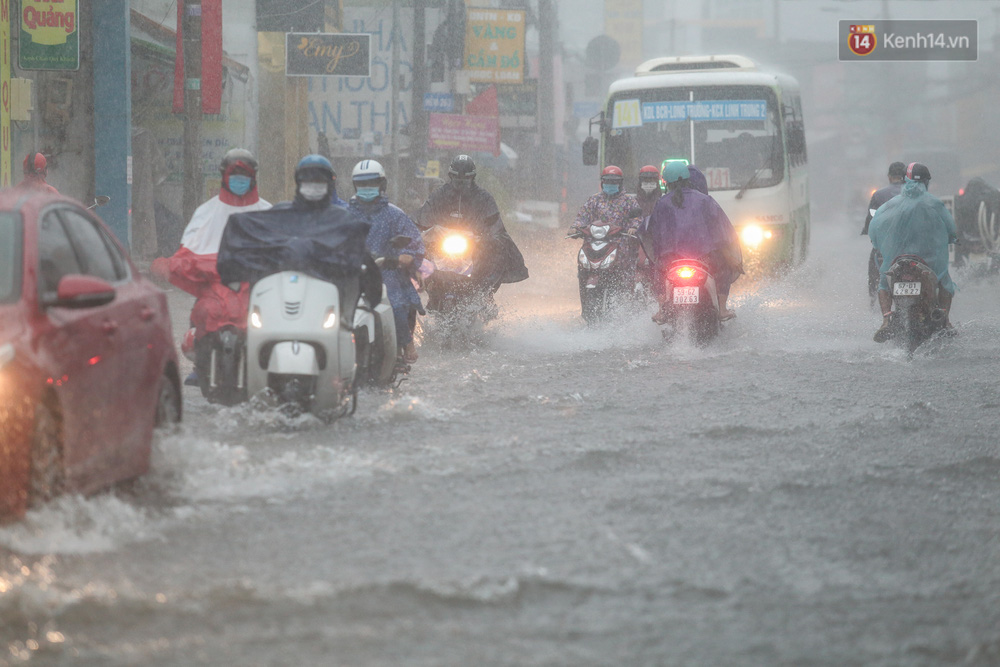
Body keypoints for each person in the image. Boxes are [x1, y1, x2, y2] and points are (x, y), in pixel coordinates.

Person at [151, 148, 271, 383]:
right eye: (234, 175)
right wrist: (173, 265)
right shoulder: (206, 211)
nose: (239, 181)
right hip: (215, 285)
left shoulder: (267, 212)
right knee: (202, 313)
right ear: (224, 176)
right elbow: (189, 248)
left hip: (255, 288)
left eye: (243, 175)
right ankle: (202, 362)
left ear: (253, 177)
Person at [869, 162, 958, 342]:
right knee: (945, 283)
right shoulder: (934, 204)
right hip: (928, 262)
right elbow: (951, 229)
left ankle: (886, 319)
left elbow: (874, 229)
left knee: (883, 285)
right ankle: (945, 320)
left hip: (896, 261)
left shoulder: (891, 205)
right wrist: (952, 238)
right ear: (926, 182)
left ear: (906, 181)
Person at [416, 154, 528, 296]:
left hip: (475, 247)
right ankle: (429, 290)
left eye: (465, 179)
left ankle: (483, 295)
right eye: (457, 178)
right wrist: (422, 231)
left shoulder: (484, 198)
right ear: (451, 176)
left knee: (498, 252)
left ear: (472, 178)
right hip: (440, 245)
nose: (461, 182)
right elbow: (423, 216)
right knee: (415, 252)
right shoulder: (439, 195)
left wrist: (487, 237)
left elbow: (495, 225)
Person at [348, 159, 426, 364]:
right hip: (352, 272)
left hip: (387, 272)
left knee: (396, 304)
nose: (366, 188)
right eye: (362, 184)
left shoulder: (394, 214)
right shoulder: (345, 214)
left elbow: (414, 241)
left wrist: (406, 255)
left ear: (382, 184)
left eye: (371, 183)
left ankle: (407, 342)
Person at [647, 161, 743, 322]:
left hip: (671, 260)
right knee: (724, 268)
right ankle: (722, 309)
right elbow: (720, 229)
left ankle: (662, 310)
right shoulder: (705, 200)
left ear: (666, 183)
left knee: (657, 271)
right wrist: (727, 254)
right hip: (704, 258)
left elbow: (654, 232)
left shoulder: (662, 203)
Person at [862, 161, 906, 298]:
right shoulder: (916, 194)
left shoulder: (879, 195)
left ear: (889, 176)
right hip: (911, 244)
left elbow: (871, 219)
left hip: (885, 245)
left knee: (874, 270)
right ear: (906, 177)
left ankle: (874, 298)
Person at [573, 165, 641, 232]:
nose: (610, 184)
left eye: (614, 182)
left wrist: (634, 227)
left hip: (621, 240)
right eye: (607, 181)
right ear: (602, 182)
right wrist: (575, 227)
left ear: (620, 183)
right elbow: (583, 216)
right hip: (595, 238)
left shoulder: (629, 201)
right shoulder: (594, 199)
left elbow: (637, 218)